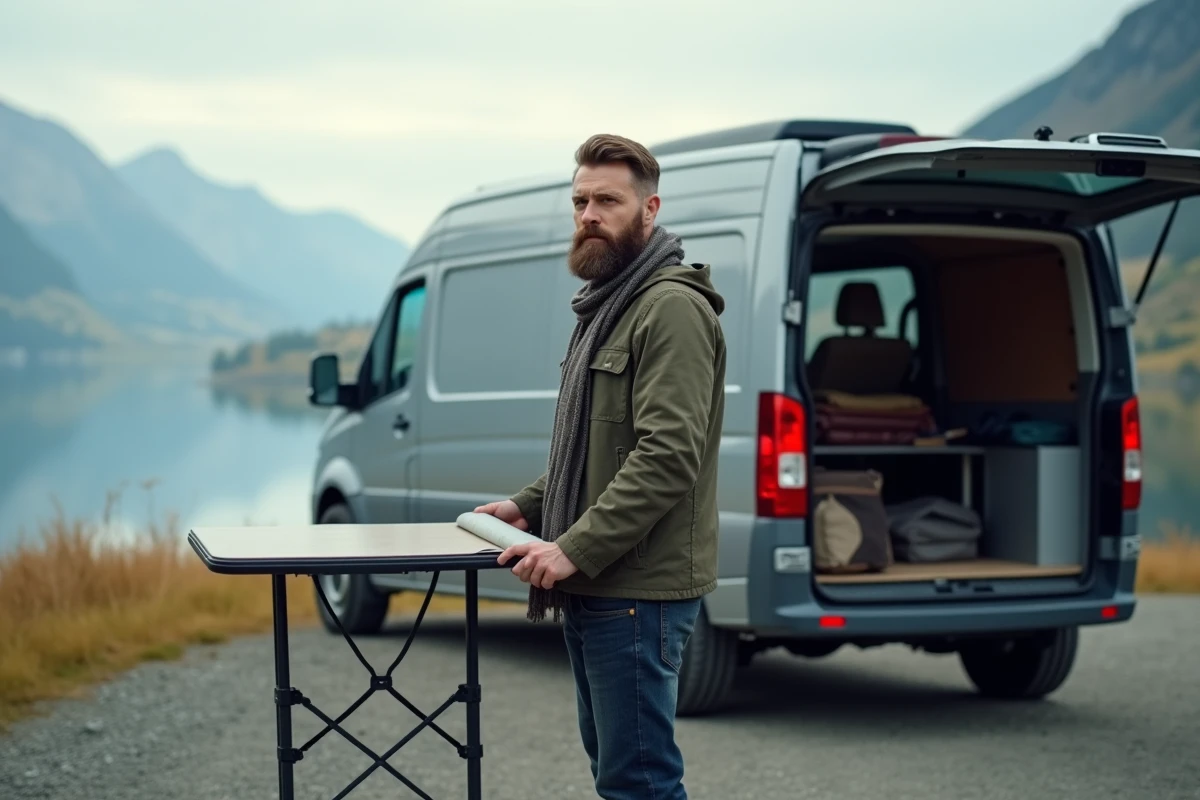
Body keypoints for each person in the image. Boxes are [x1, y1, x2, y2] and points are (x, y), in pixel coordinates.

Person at [474, 133, 726, 800]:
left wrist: (573, 548)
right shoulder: (610, 304)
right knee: (615, 772)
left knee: (638, 780)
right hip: (603, 583)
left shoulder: (668, 307)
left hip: (636, 589)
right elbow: (596, 444)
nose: (589, 213)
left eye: (607, 200)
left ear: (650, 209)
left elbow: (667, 456)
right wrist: (530, 505)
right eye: (580, 200)